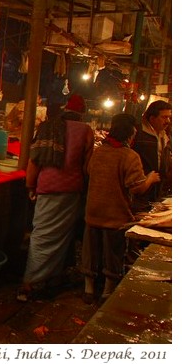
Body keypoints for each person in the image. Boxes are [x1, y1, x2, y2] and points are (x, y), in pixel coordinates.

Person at [17, 94, 94, 302]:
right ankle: (31, 281)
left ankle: (49, 278)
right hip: (70, 189)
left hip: (46, 186)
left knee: (43, 233)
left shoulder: (47, 127)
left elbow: (34, 161)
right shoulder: (86, 131)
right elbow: (88, 166)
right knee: (56, 236)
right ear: (82, 113)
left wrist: (30, 185)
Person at [81, 113, 160, 304]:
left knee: (90, 250)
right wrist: (150, 179)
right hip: (115, 215)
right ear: (131, 133)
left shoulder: (98, 152)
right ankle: (107, 291)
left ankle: (88, 290)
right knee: (113, 252)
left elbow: (88, 171)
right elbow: (137, 187)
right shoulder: (130, 156)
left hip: (93, 211)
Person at [131, 100, 172, 211]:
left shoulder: (165, 135)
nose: (168, 121)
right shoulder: (137, 133)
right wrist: (145, 180)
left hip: (158, 191)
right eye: (164, 117)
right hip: (139, 191)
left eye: (169, 117)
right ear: (152, 118)